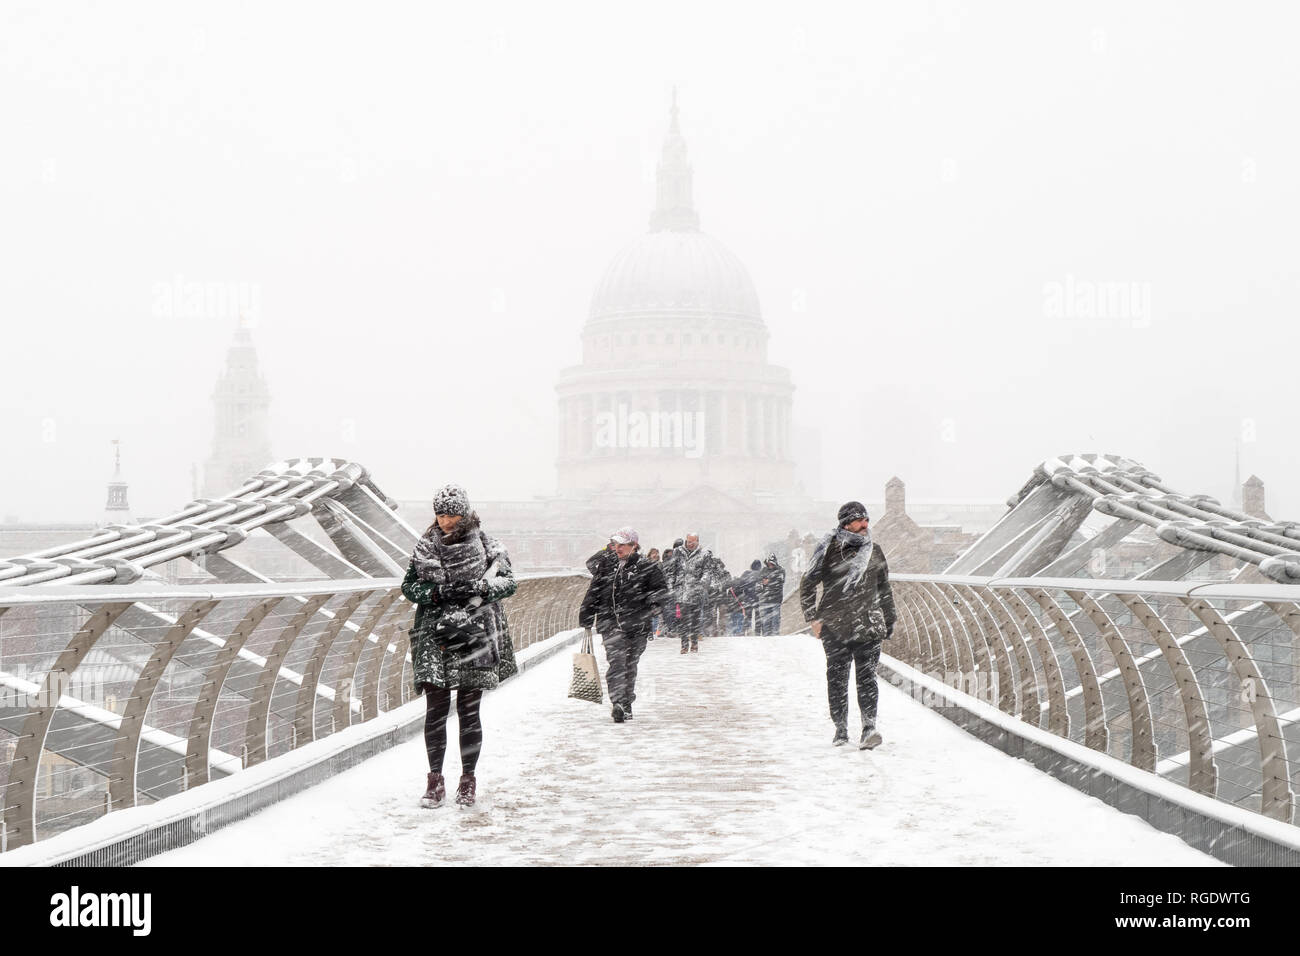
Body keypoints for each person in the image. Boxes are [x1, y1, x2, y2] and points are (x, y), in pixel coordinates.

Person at [402, 483, 518, 808]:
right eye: (440, 513)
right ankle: (435, 781)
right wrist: (436, 594)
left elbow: (508, 582)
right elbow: (409, 586)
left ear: (464, 512)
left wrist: (478, 587)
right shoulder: (425, 547)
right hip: (435, 635)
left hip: (474, 631)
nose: (445, 521)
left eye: (452, 513)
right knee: (435, 712)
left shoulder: (487, 544)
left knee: (469, 713)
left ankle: (467, 781)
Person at [799, 501, 896, 749]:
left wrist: (889, 618)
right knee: (837, 678)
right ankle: (840, 729)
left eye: (866, 519)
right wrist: (812, 618)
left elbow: (884, 587)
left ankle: (869, 728)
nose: (865, 524)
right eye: (859, 520)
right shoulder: (829, 549)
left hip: (869, 624)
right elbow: (808, 583)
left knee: (867, 678)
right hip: (834, 624)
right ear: (846, 523)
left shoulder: (875, 551)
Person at [577, 527, 671, 722]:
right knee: (617, 663)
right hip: (610, 623)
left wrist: (652, 603)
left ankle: (626, 701)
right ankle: (618, 702)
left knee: (630, 665)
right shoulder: (606, 563)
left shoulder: (648, 567)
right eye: (615, 544)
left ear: (634, 546)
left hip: (637, 625)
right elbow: (594, 588)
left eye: (622, 545)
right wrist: (587, 613)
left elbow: (662, 591)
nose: (617, 548)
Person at [758, 553, 786, 635]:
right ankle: (766, 639)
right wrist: (765, 583)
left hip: (775, 600)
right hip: (764, 600)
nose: (770, 565)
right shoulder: (763, 570)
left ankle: (775, 638)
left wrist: (768, 581)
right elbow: (759, 583)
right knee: (765, 622)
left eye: (771, 563)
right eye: (769, 563)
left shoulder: (781, 570)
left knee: (775, 621)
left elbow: (779, 582)